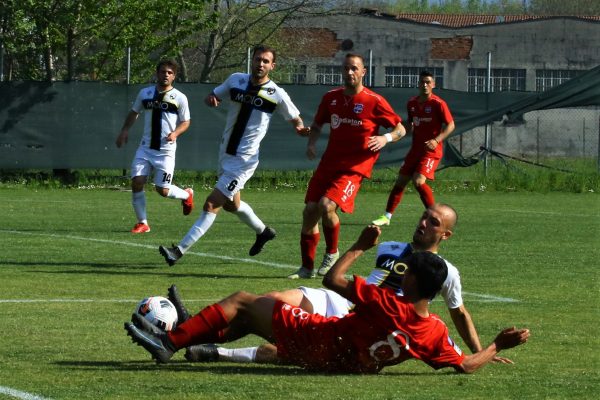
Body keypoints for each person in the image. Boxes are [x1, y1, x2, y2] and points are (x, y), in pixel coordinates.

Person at [125, 226, 530, 374]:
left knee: (244, 300)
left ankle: (170, 342)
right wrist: (496, 345)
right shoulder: (433, 332)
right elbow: (464, 366)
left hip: (322, 340)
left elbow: (332, 277)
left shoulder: (388, 303)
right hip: (347, 365)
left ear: (411, 284)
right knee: (251, 318)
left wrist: (358, 245)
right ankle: (187, 334)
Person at [183, 203, 511, 365]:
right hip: (345, 300)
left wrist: (480, 351)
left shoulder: (447, 272)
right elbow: (363, 281)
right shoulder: (392, 247)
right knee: (268, 300)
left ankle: (211, 346)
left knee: (288, 343)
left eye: (433, 222)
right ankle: (197, 330)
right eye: (424, 216)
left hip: (372, 321)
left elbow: (460, 314)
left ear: (446, 234)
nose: (423, 223)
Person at [158, 45, 309, 264]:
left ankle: (178, 251)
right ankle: (263, 231)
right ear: (252, 61)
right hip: (225, 153)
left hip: (244, 161)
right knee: (231, 205)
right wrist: (212, 99)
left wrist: (300, 128)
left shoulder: (276, 93)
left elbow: (295, 117)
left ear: (272, 66)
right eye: (258, 59)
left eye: (266, 61)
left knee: (212, 204)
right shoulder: (236, 80)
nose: (261, 64)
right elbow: (213, 95)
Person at [290, 53, 406, 279]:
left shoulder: (374, 101)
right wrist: (312, 143)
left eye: (354, 68)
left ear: (363, 72)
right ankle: (306, 268)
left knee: (326, 205)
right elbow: (317, 124)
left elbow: (400, 129)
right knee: (309, 211)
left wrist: (385, 139)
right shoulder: (331, 98)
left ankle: (332, 253)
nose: (349, 72)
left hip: (355, 167)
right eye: (346, 68)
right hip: (329, 163)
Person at [115, 59, 193, 233]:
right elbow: (134, 112)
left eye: (169, 72)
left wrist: (175, 133)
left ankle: (187, 195)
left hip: (165, 151)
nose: (165, 75)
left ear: (174, 76)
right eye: (163, 71)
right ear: (157, 73)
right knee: (137, 181)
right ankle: (142, 222)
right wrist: (124, 131)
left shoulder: (180, 97)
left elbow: (186, 121)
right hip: (145, 148)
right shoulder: (145, 93)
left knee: (163, 190)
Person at [372, 70, 455, 227]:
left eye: (428, 82)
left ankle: (435, 217)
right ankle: (386, 217)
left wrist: (436, 140)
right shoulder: (412, 103)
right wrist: (396, 136)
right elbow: (409, 126)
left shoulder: (438, 104)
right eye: (422, 82)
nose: (425, 85)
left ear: (433, 85)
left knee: (418, 181)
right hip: (415, 150)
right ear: (418, 84)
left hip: (431, 151)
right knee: (400, 181)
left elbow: (451, 125)